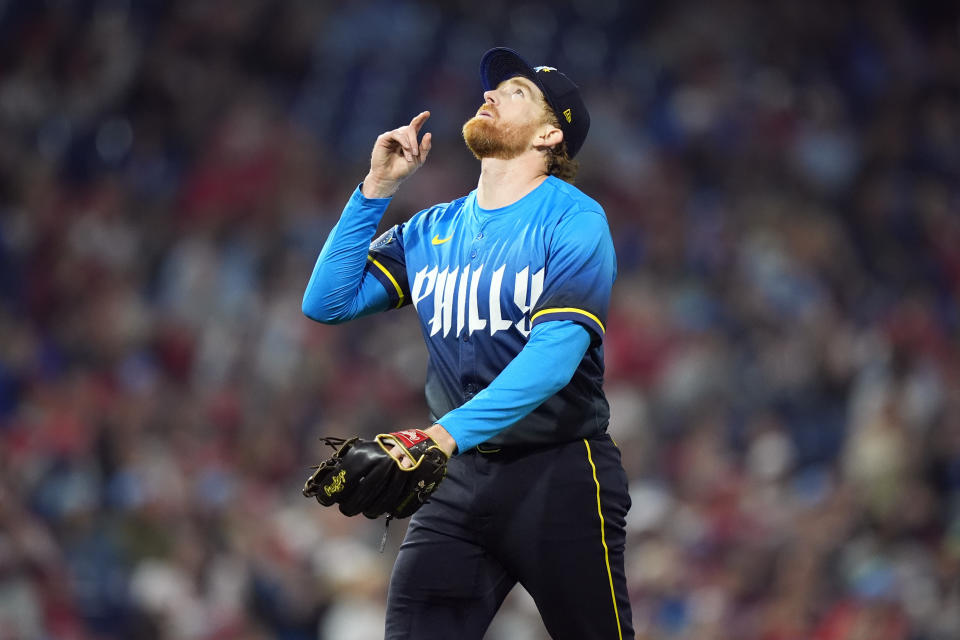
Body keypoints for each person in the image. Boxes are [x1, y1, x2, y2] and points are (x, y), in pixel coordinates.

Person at [302, 47, 634, 640]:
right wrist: (375, 189)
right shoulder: (433, 227)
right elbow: (326, 302)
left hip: (558, 474)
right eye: (494, 87)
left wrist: (443, 435)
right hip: (455, 479)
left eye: (516, 92)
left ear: (550, 133)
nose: (491, 95)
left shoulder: (574, 220)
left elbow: (554, 360)